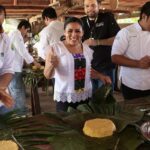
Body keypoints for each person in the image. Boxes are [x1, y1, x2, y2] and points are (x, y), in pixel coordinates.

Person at [44, 17, 111, 112]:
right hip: (66, 98)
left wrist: (100, 76)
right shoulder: (55, 49)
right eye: (70, 31)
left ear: (82, 33)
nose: (74, 34)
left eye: (77, 31)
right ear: (64, 32)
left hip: (85, 96)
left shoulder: (87, 50)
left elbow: (87, 70)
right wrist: (51, 65)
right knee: (66, 125)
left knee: (84, 124)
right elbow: (47, 75)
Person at [111, 1, 150, 100]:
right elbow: (115, 57)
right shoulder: (126, 32)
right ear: (144, 16)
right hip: (132, 84)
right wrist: (138, 63)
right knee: (132, 113)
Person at [81, 0, 120, 92]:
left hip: (106, 66)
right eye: (87, 6)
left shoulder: (107, 18)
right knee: (91, 97)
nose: (90, 8)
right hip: (88, 67)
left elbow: (118, 39)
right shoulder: (81, 22)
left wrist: (97, 42)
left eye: (93, 5)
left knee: (105, 98)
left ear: (99, 5)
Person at [8, 20, 41, 114]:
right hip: (13, 69)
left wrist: (26, 40)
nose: (26, 33)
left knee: (16, 91)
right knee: (18, 92)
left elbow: (19, 49)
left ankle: (17, 112)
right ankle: (21, 115)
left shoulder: (15, 35)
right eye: (27, 30)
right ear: (23, 27)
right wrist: (34, 62)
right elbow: (22, 51)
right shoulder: (15, 33)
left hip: (12, 68)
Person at [0, 5, 14, 114]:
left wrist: (1, 89)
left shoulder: (5, 39)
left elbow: (8, 68)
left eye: (1, 14)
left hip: (2, 100)